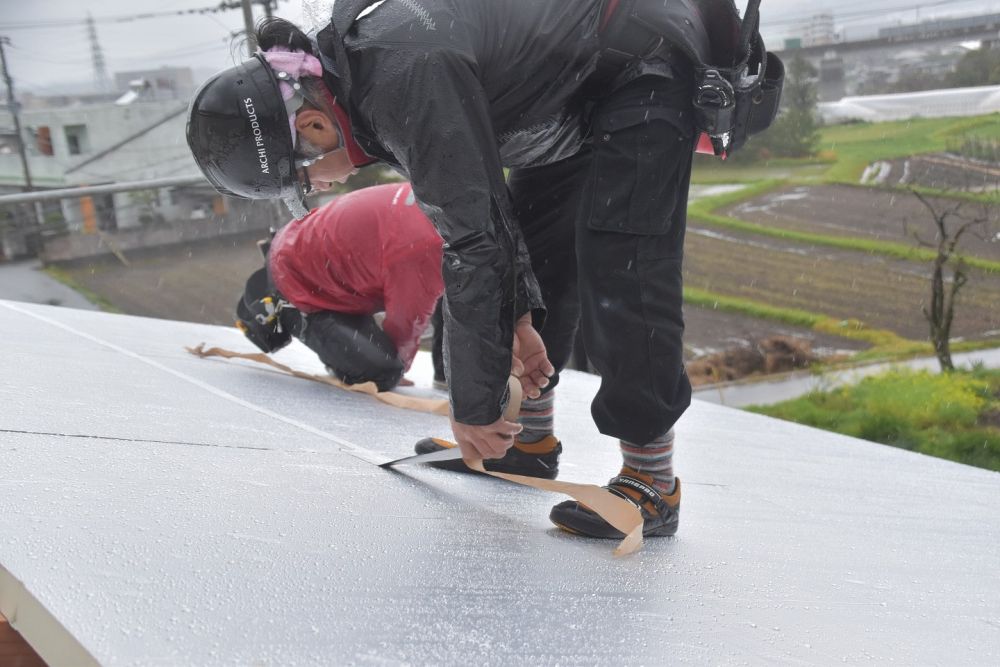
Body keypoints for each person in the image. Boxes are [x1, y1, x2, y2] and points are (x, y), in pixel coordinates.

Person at [187, 0, 781, 539]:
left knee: (623, 269)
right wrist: (515, 318)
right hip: (571, 91)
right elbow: (489, 224)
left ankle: (652, 483)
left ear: (312, 129)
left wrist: (473, 408)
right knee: (538, 250)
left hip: (644, 63)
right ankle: (526, 440)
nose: (320, 182)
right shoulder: (362, 66)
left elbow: (473, 244)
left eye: (305, 174)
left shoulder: (403, 78)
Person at [236, 182, 445, 392]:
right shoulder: (426, 247)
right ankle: (284, 307)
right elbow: (407, 318)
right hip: (300, 284)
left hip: (307, 253)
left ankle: (445, 374)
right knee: (382, 374)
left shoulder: (436, 195)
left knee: (457, 284)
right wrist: (400, 366)